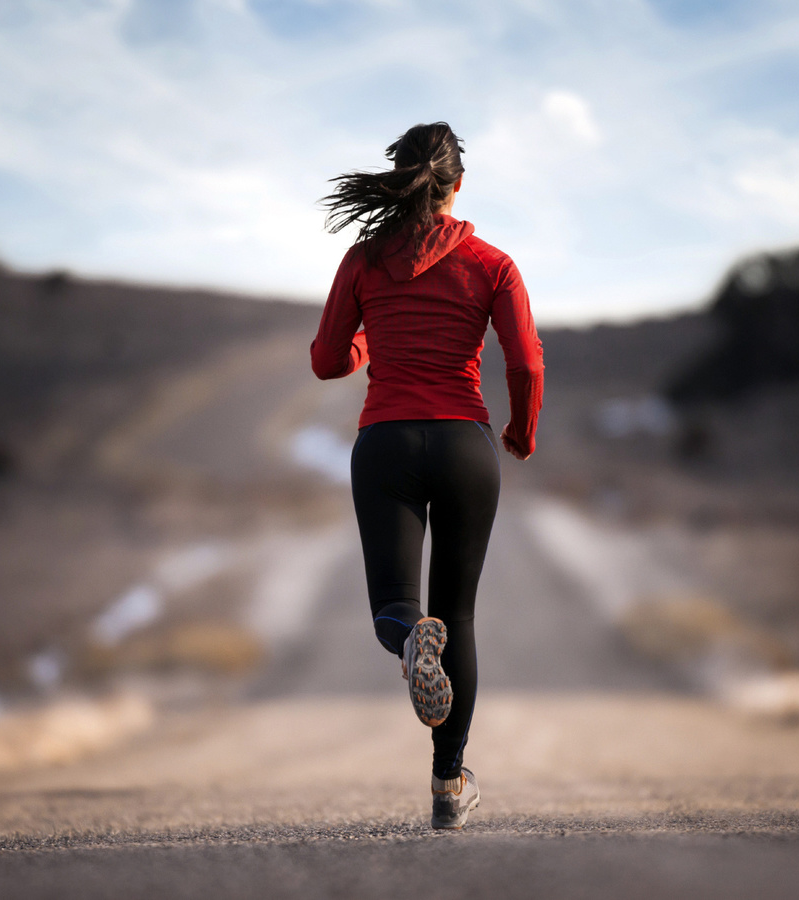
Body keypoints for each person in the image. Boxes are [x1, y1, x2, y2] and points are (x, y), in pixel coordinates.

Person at [310, 121, 544, 830]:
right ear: (458, 184)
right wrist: (520, 431)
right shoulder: (492, 262)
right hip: (465, 444)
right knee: (461, 613)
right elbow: (526, 361)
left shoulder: (364, 259)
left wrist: (363, 341)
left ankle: (412, 640)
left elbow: (327, 361)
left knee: (398, 607)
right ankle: (448, 784)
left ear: (399, 178)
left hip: (385, 440)